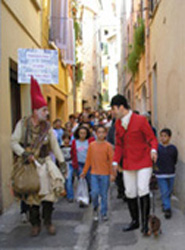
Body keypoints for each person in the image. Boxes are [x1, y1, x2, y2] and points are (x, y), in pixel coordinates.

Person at [11, 76, 66, 237]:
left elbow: (55, 146)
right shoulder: (23, 124)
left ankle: (48, 221)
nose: (47, 113)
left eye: (47, 110)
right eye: (44, 110)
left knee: (49, 197)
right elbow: (13, 142)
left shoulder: (47, 128)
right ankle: (35, 224)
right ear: (35, 111)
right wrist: (24, 153)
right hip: (30, 166)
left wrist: (62, 163)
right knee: (32, 198)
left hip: (45, 164)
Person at [110, 94, 158, 235]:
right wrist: (115, 161)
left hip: (144, 161)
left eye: (113, 108)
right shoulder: (117, 124)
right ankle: (135, 221)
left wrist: (154, 150)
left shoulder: (141, 120)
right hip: (128, 163)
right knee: (129, 192)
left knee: (143, 189)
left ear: (121, 107)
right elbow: (119, 145)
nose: (112, 112)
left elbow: (152, 138)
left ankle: (144, 223)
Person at [81, 125, 115, 221]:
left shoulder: (108, 146)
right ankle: (95, 207)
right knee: (94, 193)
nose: (100, 134)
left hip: (105, 174)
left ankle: (103, 212)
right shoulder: (92, 145)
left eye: (102, 132)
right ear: (96, 134)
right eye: (98, 132)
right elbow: (88, 159)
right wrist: (84, 171)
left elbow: (111, 160)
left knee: (104, 194)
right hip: (94, 173)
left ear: (105, 134)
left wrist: (112, 173)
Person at [155, 128, 178, 219]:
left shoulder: (173, 148)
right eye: (161, 136)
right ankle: (167, 209)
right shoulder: (157, 148)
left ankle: (165, 203)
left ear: (169, 137)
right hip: (160, 174)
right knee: (164, 191)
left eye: (165, 136)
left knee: (168, 191)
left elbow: (175, 160)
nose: (163, 138)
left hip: (171, 173)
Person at [71, 126, 94, 204]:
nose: (82, 135)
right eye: (81, 133)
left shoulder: (90, 141)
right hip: (79, 164)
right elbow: (73, 153)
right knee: (81, 180)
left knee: (89, 181)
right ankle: (82, 197)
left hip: (89, 164)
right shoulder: (75, 142)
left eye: (84, 133)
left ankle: (90, 195)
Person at [60, 133, 74, 202]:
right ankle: (65, 192)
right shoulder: (60, 147)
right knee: (64, 179)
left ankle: (70, 195)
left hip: (70, 163)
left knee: (69, 179)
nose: (66, 140)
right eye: (65, 138)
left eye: (68, 138)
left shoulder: (71, 147)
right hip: (63, 164)